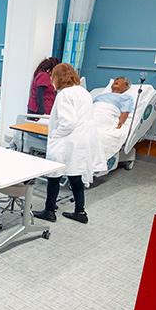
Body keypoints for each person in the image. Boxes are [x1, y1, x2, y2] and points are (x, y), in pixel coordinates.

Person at [32, 63, 101, 225]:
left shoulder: (64, 94)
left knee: (54, 176)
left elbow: (68, 122)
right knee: (75, 176)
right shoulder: (83, 92)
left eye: (52, 77)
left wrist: (55, 135)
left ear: (58, 77)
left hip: (66, 141)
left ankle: (49, 211)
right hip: (81, 142)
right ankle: (80, 211)